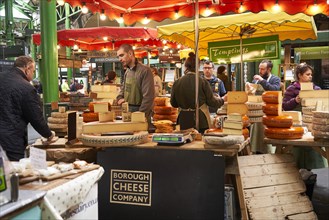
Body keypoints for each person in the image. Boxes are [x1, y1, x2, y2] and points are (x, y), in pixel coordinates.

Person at [0, 56, 56, 161]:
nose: (33, 74)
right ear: (27, 69)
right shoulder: (26, 88)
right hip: (11, 141)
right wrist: (48, 134)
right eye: (33, 71)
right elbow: (35, 117)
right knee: (11, 173)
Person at [170, 52, 226, 134]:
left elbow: (174, 104)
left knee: (185, 144)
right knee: (199, 143)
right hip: (201, 120)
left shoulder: (177, 82)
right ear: (198, 66)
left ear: (186, 66)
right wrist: (222, 99)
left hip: (183, 119)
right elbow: (212, 102)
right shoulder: (202, 82)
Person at [283, 63, 324, 169]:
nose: (310, 76)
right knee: (298, 148)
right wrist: (295, 100)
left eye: (311, 74)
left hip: (312, 122)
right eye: (307, 74)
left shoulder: (317, 89)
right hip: (297, 124)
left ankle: (313, 169)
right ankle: (296, 167)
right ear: (300, 75)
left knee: (313, 147)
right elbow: (285, 106)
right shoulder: (291, 89)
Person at [247, 59, 281, 154]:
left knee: (266, 133)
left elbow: (274, 89)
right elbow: (251, 94)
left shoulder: (275, 79)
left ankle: (268, 151)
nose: (260, 71)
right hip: (257, 111)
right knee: (256, 133)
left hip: (269, 111)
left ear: (269, 69)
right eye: (259, 69)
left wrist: (262, 81)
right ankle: (256, 150)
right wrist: (249, 88)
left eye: (262, 69)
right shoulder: (255, 80)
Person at [116, 44, 155, 123]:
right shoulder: (127, 71)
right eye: (118, 57)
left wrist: (140, 114)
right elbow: (123, 88)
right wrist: (119, 97)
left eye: (121, 55)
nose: (120, 59)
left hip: (140, 114)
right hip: (128, 112)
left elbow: (148, 97)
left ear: (130, 54)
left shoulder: (145, 71)